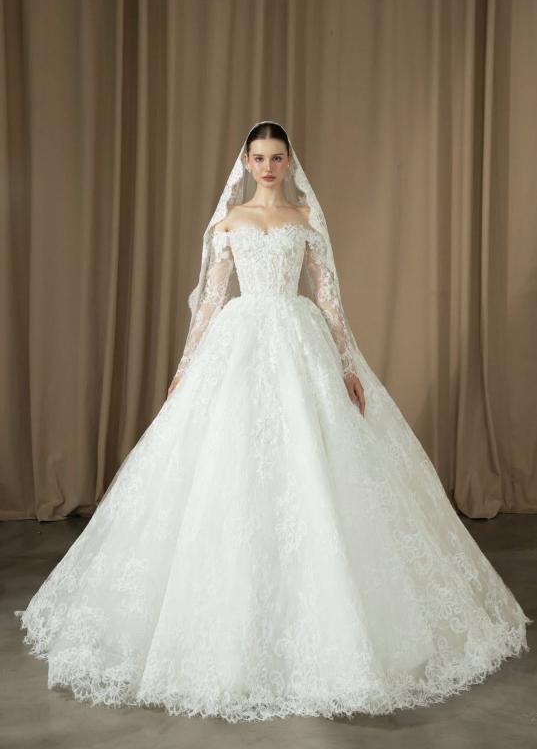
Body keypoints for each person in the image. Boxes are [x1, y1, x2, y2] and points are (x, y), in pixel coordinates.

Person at [15, 120, 530, 724]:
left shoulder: (306, 219)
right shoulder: (227, 223)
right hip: (237, 347)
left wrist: (347, 364)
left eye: (276, 157)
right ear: (245, 162)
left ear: (289, 162)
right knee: (230, 468)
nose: (266, 166)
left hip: (298, 343)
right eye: (258, 157)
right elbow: (210, 301)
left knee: (310, 466)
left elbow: (329, 298)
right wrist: (184, 370)